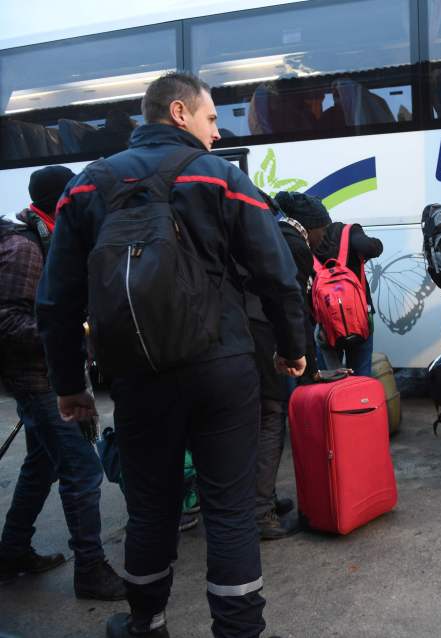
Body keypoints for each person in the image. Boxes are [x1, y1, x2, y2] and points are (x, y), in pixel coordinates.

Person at [36, 72, 306, 638]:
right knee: (229, 509)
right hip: (223, 367)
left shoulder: (86, 187)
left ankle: (145, 623)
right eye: (212, 119)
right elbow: (278, 275)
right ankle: (239, 631)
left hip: (137, 374)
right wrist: (290, 350)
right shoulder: (221, 177)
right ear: (179, 112)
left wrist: (69, 386)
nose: (216, 133)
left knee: (151, 507)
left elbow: (56, 301)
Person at [0, 166, 125, 601]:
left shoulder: (47, 239)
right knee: (83, 471)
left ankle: (12, 551)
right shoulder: (26, 249)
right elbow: (9, 322)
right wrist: (78, 329)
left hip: (43, 379)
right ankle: (90, 567)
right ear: (60, 200)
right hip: (39, 382)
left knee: (41, 467)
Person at [250, 190, 328, 541]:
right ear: (309, 228)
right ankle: (260, 512)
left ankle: (259, 499)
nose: (323, 238)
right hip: (264, 341)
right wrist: (305, 361)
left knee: (252, 421)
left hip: (240, 340)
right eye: (322, 232)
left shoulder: (269, 234)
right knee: (271, 418)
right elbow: (292, 307)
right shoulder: (292, 244)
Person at [313, 215, 383, 377]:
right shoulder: (348, 231)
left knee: (331, 379)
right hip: (361, 319)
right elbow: (371, 247)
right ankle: (361, 401)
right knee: (361, 374)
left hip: (327, 326)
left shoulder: (308, 242)